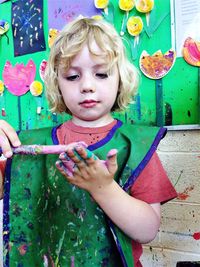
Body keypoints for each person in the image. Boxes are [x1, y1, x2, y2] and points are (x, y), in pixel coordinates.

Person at [0, 17, 177, 267]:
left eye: (102, 74)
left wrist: (103, 187)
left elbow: (147, 230)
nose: (87, 86)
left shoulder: (135, 145)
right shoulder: (28, 145)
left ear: (120, 80)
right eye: (72, 77)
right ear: (57, 84)